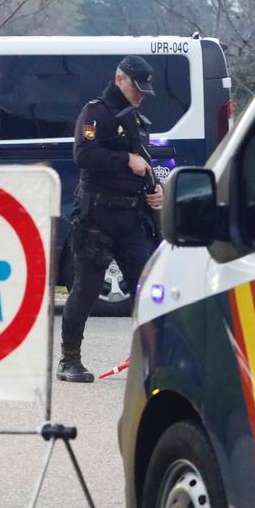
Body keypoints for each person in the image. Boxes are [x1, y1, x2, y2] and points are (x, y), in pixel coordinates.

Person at [58, 56, 163, 382]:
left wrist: (154, 189)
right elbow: (84, 155)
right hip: (97, 218)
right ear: (120, 79)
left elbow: (143, 162)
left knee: (147, 289)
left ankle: (155, 360)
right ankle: (69, 360)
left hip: (132, 218)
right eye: (137, 87)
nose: (142, 94)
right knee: (86, 289)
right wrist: (124, 160)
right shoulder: (96, 112)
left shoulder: (135, 118)